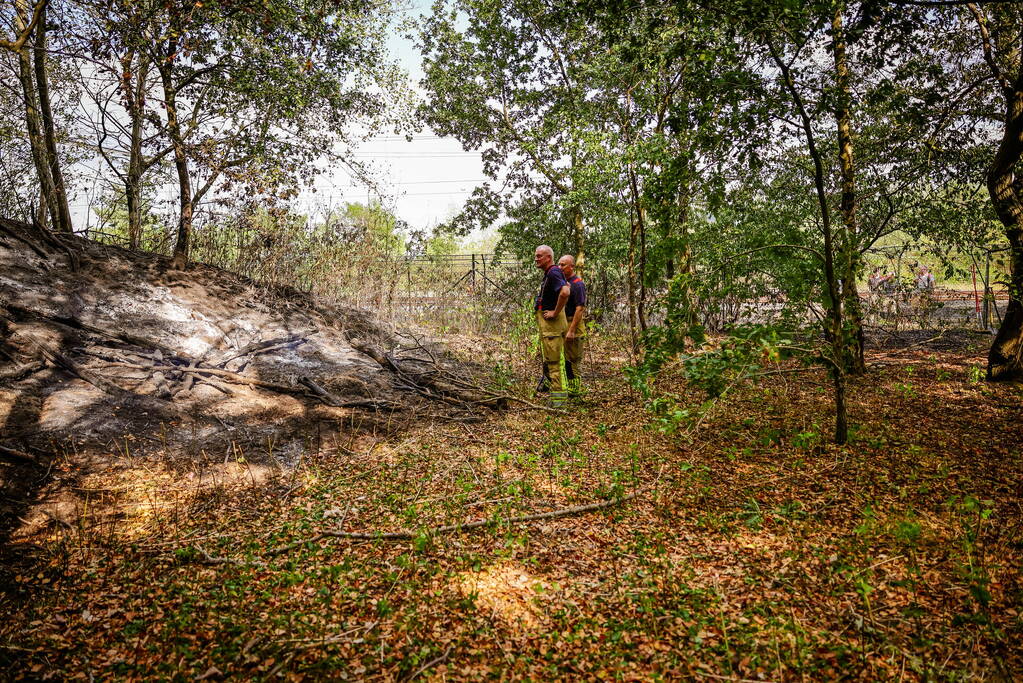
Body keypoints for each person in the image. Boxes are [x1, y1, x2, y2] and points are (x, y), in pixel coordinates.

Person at [533, 245, 570, 407]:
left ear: (549, 257)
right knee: (551, 361)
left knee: (554, 363)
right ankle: (556, 396)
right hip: (550, 326)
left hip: (552, 326)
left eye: (540, 256)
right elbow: (566, 287)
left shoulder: (553, 272)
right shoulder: (551, 273)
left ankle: (559, 403)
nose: (536, 259)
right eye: (536, 256)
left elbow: (565, 292)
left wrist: (555, 313)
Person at [558, 254, 587, 396]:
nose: (560, 267)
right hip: (563, 324)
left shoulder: (578, 284)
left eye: (563, 265)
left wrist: (571, 330)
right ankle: (569, 388)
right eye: (559, 264)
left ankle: (575, 391)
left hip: (574, 327)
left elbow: (580, 308)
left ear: (572, 266)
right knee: (565, 359)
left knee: (573, 361)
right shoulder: (564, 282)